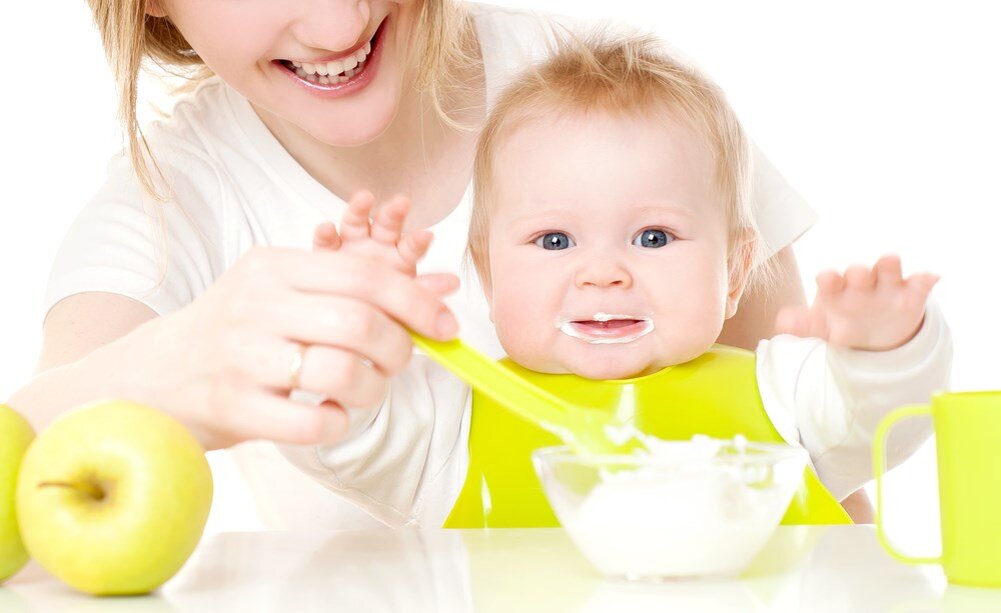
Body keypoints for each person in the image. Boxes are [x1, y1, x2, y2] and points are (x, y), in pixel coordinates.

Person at [9, 1, 849, 528]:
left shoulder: (625, 95)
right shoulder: (171, 202)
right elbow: (26, 459)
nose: (336, 26)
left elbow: (817, 475)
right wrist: (179, 366)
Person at [283, 32, 951, 528]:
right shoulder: (448, 425)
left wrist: (884, 345)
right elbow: (339, 430)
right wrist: (348, 328)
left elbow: (883, 415)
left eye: (652, 237)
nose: (602, 274)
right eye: (554, 240)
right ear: (486, 272)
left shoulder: (784, 393)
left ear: (734, 270)